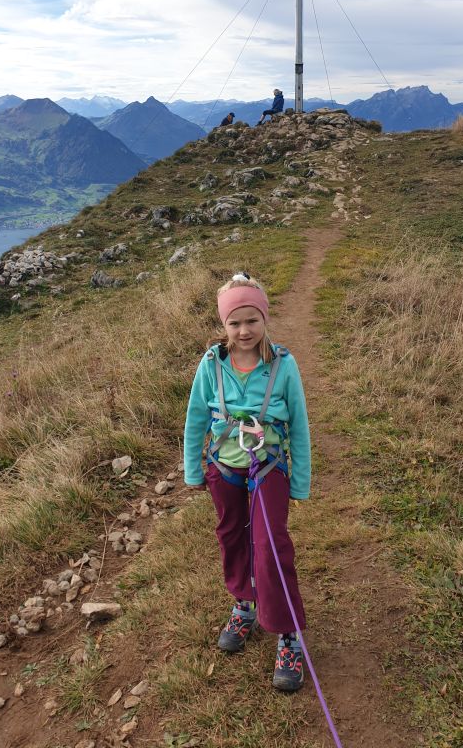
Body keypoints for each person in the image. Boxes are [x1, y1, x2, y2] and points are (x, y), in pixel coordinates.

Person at [184, 272, 311, 692]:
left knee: (270, 545)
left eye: (252, 320)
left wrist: (300, 481)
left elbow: (299, 426)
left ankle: (287, 633)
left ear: (264, 319)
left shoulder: (283, 365)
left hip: (268, 469)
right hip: (223, 469)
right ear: (223, 324)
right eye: (234, 322)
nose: (243, 331)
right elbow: (196, 419)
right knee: (232, 537)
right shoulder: (211, 365)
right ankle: (245, 604)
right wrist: (192, 470)